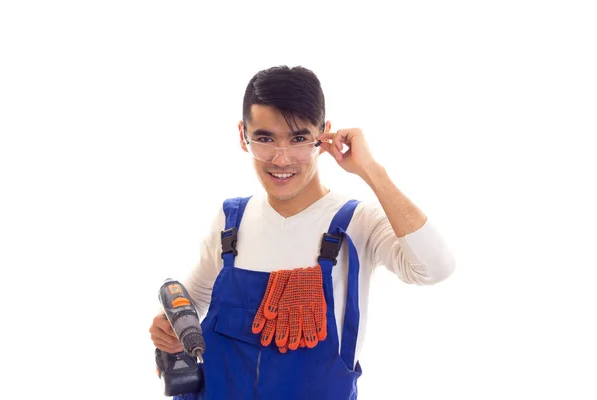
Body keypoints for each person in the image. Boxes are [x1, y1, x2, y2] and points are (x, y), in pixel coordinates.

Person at [149, 65, 456, 399]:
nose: (282, 159)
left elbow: (435, 268)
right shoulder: (229, 222)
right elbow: (193, 301)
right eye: (265, 139)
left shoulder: (358, 224)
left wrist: (370, 170)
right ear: (242, 136)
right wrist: (168, 330)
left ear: (323, 135)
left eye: (299, 139)